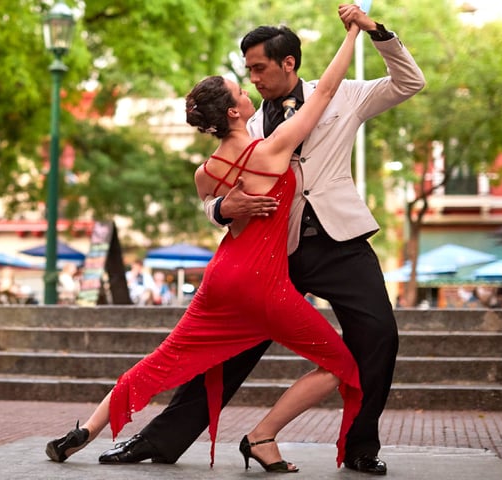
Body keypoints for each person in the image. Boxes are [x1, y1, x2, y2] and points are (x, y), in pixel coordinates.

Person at [99, 4, 425, 475]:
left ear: (288, 62)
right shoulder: (247, 123)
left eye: (259, 68)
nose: (252, 79)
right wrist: (220, 209)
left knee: (379, 336)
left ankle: (360, 447)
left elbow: (409, 82)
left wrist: (376, 32)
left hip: (341, 242)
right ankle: (159, 440)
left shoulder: (344, 94)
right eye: (247, 70)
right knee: (229, 349)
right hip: (272, 253)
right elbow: (214, 193)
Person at [46, 13, 363, 472]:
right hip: (263, 284)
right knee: (339, 365)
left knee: (162, 360)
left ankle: (85, 431)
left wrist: (224, 207)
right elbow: (327, 90)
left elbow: (217, 210)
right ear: (233, 112)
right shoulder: (271, 150)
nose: (248, 90)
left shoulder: (205, 173)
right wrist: (353, 33)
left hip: (219, 281)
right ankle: (262, 436)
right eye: (240, 92)